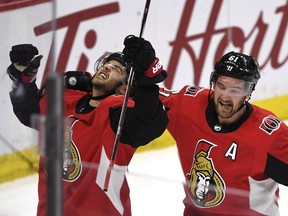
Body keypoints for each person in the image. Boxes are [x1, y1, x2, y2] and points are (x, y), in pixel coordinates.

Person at [123, 36, 288, 216]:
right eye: (221, 86)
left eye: (235, 91)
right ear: (213, 83)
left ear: (248, 93)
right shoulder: (188, 105)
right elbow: (147, 100)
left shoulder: (268, 135)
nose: (225, 96)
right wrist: (143, 72)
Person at [7, 39, 168, 216]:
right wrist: (23, 78)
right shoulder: (66, 98)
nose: (107, 67)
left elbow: (148, 125)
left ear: (124, 89)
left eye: (117, 69)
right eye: (108, 64)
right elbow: (29, 110)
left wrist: (147, 79)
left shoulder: (116, 112)